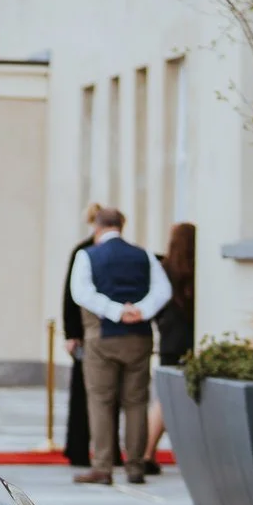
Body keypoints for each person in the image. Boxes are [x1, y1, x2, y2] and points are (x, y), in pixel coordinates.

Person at [68, 205, 171, 485]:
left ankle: (102, 467)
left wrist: (114, 311)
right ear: (122, 226)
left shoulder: (87, 255)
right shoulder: (144, 255)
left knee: (101, 401)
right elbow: (163, 291)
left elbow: (81, 293)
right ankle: (135, 466)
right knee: (136, 401)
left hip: (103, 337)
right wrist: (140, 310)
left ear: (97, 227)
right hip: (139, 336)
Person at [141, 221, 197, 476]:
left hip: (169, 339)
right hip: (193, 339)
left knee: (163, 398)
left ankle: (148, 451)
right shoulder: (200, 269)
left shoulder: (162, 268)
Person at [58, 203, 100, 467]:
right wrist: (72, 332)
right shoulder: (83, 251)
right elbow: (71, 296)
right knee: (83, 392)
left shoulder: (88, 250)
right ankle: (78, 448)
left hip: (92, 332)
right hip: (87, 332)